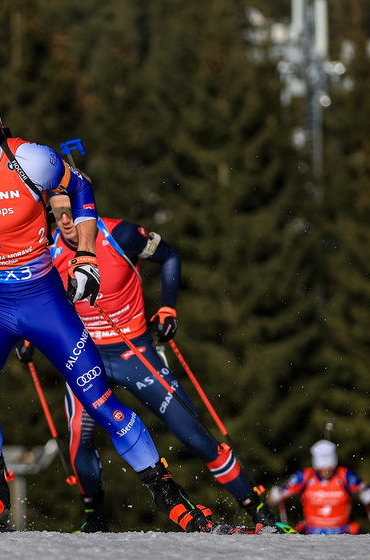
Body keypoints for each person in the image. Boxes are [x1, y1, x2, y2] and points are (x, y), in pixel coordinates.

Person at [0, 76, 219, 532]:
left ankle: (167, 493)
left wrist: (85, 256)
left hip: (43, 301)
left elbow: (80, 190)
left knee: (99, 402)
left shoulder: (31, 160)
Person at [37, 193, 289, 533]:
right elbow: (37, 298)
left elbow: (170, 256)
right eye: (57, 215)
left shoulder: (121, 235)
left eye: (70, 212)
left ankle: (261, 514)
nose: (65, 222)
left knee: (194, 434)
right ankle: (95, 518)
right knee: (79, 438)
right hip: (85, 354)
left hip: (134, 352)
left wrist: (168, 307)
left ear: (87, 208)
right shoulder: (47, 250)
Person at [267, 439, 370, 534]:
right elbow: (272, 499)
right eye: (322, 469)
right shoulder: (305, 477)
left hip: (343, 531)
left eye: (330, 468)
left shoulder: (345, 476)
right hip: (310, 531)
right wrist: (275, 495)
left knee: (365, 535)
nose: (326, 472)